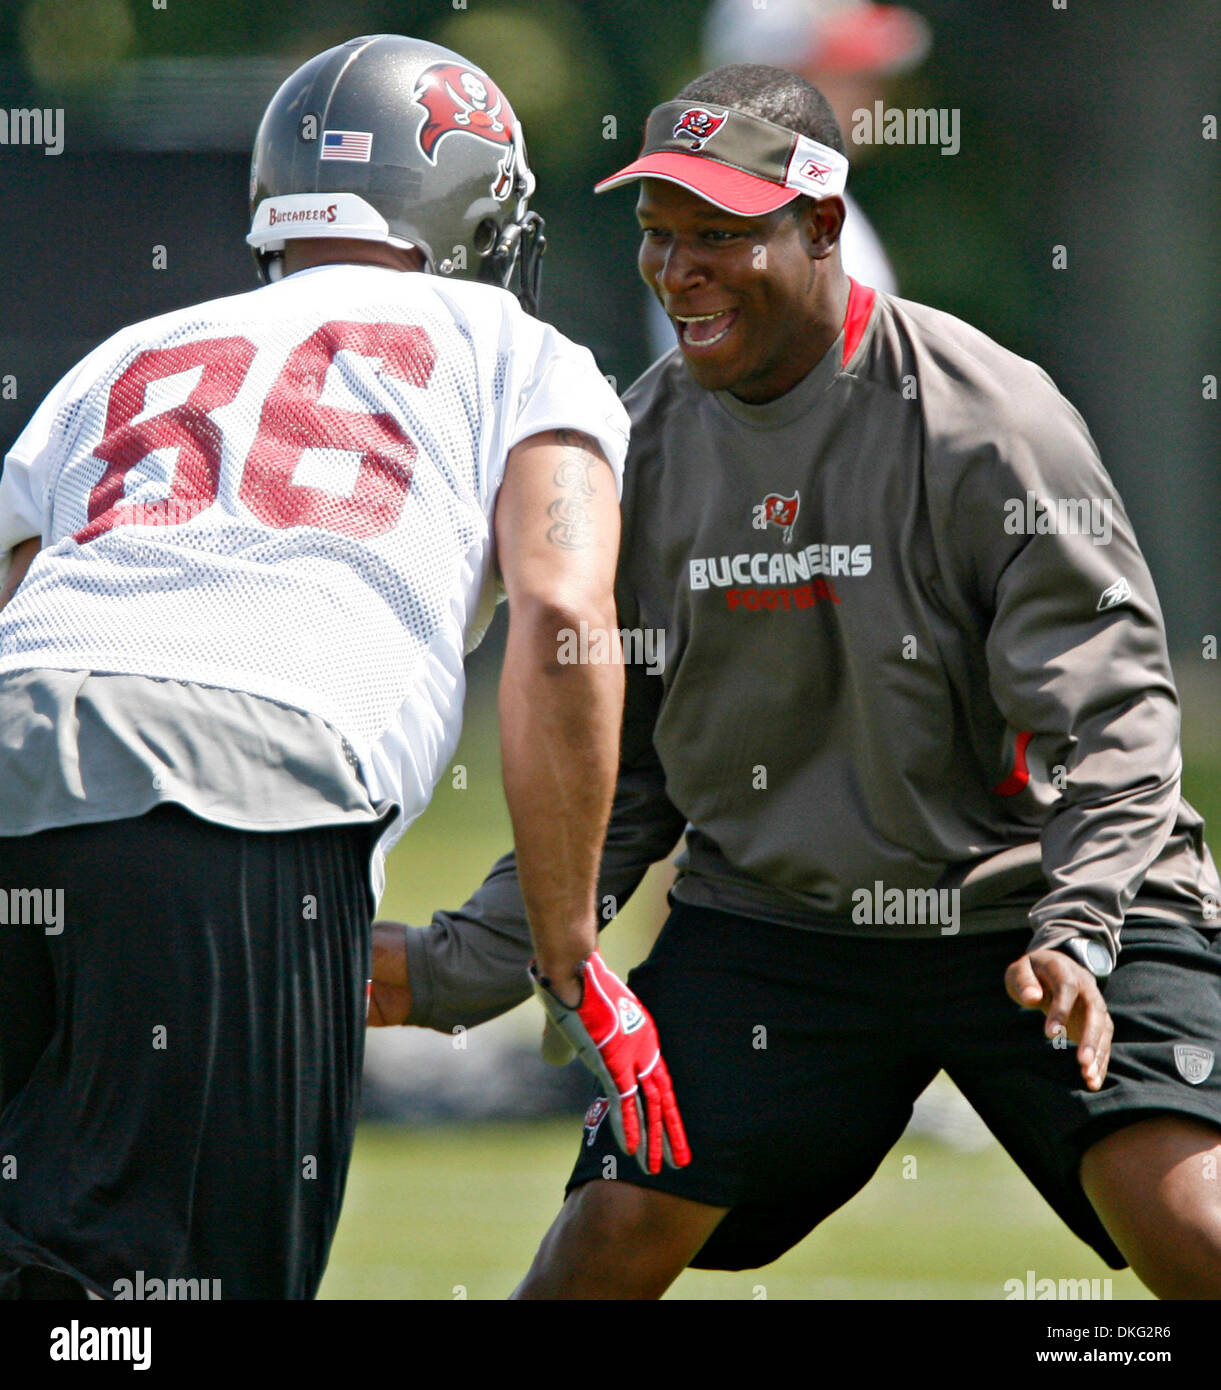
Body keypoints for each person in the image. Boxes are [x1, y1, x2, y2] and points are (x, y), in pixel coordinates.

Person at [370, 63, 1221, 1300]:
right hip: (781, 929)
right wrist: (456, 965)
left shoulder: (987, 420)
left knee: (1191, 1227)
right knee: (605, 1244)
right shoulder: (634, 449)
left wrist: (1080, 924)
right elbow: (627, 775)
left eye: (722, 235)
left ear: (822, 225)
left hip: (1036, 907)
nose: (678, 271)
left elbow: (1118, 720)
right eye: (660, 238)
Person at [0, 33, 689, 1301]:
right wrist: (563, 948)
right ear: (478, 212)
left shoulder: (121, 356)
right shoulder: (517, 352)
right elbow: (561, 618)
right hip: (242, 789)